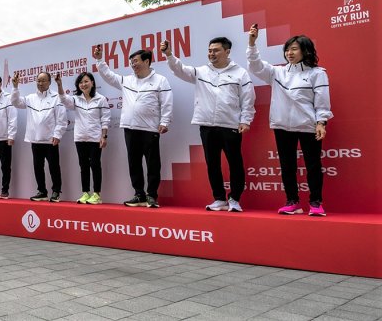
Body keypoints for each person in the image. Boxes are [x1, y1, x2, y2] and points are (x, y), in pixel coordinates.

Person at [247, 25, 333, 216]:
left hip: (308, 126)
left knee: (313, 166)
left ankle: (316, 203)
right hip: (282, 126)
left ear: (305, 50)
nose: (289, 52)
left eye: (294, 48)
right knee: (287, 167)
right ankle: (292, 202)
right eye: (287, 49)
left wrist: (321, 122)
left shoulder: (317, 73)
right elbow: (255, 66)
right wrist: (252, 43)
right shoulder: (277, 72)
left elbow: (322, 101)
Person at [161, 37, 255, 212]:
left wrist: (245, 120)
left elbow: (248, 99)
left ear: (227, 52)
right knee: (212, 164)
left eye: (216, 50)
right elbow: (180, 70)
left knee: (235, 163)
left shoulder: (240, 73)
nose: (212, 53)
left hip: (231, 125)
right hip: (206, 125)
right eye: (210, 50)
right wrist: (169, 55)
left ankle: (234, 199)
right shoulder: (201, 71)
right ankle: (219, 198)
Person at [94, 46, 173, 208]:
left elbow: (167, 102)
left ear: (147, 61)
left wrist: (165, 121)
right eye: (131, 62)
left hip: (150, 129)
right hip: (130, 128)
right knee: (134, 163)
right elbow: (108, 76)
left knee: (153, 164)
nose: (133, 64)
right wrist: (100, 60)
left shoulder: (160, 80)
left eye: (135, 61)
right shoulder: (127, 80)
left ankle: (152, 195)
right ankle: (139, 194)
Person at [11, 71, 67, 202]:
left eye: (43, 80)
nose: (40, 83)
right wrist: (15, 87)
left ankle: (56, 191)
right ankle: (42, 191)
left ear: (49, 82)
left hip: (50, 140)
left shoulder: (57, 97)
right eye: (38, 80)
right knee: (38, 167)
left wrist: (57, 134)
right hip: (35, 139)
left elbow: (62, 119)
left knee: (54, 167)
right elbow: (15, 102)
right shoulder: (30, 98)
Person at [56, 71, 111, 205]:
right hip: (80, 137)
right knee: (84, 166)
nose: (83, 84)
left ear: (92, 83)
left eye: (86, 81)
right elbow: (64, 99)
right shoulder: (76, 99)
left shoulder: (101, 99)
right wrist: (59, 84)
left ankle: (97, 194)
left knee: (95, 165)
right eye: (81, 82)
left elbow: (105, 119)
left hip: (95, 137)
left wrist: (104, 136)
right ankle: (85, 193)